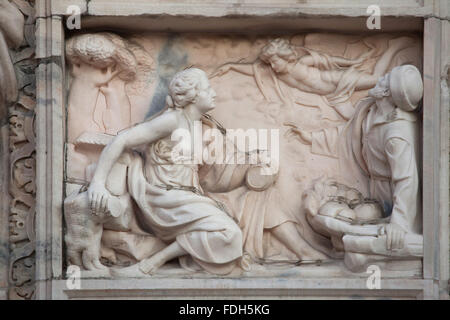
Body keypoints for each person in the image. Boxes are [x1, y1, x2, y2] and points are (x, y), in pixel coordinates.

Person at [87, 68, 243, 277]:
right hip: (163, 197)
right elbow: (122, 140)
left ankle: (159, 262)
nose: (213, 93)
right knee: (228, 232)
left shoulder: (195, 123)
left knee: (234, 217)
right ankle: (151, 264)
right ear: (192, 96)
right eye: (207, 89)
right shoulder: (171, 121)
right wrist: (97, 182)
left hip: (185, 196)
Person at [288, 65, 423, 252]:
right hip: (374, 189)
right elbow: (349, 134)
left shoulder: (396, 135)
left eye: (387, 79)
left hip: (392, 194)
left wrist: (399, 223)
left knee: (360, 231)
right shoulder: (373, 111)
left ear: (389, 92)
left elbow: (406, 180)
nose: (381, 78)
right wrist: (311, 138)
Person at [214, 37, 415, 119]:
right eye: (271, 63)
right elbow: (252, 69)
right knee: (352, 117)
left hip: (338, 80)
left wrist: (352, 63)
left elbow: (326, 58)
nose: (273, 66)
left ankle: (394, 46)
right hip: (332, 95)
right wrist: (231, 66)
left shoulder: (300, 64)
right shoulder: (276, 72)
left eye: (276, 61)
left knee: (375, 78)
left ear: (286, 57)